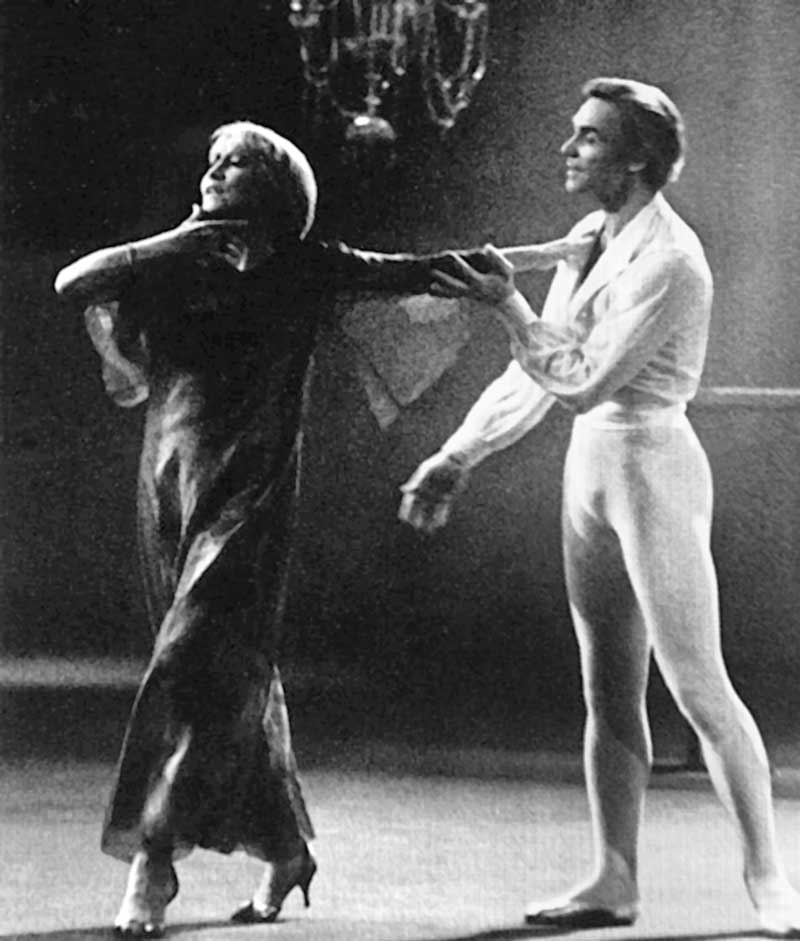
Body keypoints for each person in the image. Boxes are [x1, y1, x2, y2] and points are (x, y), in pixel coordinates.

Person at [398, 77, 800, 935]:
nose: (567, 149)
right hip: (593, 468)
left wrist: (507, 300)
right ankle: (614, 877)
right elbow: (538, 368)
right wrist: (457, 454)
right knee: (609, 691)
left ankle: (771, 879)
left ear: (638, 160)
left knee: (698, 686)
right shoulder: (593, 239)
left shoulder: (672, 260)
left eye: (588, 137)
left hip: (653, 466)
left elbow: (581, 380)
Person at [54, 120, 458, 938]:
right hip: (168, 486)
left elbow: (424, 271)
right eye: (211, 161)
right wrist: (180, 239)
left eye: (235, 163)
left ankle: (153, 855)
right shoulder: (174, 261)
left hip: (251, 494)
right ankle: (285, 844)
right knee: (228, 675)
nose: (214, 173)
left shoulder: (309, 266)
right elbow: (74, 282)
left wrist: (539, 261)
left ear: (275, 188)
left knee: (188, 664)